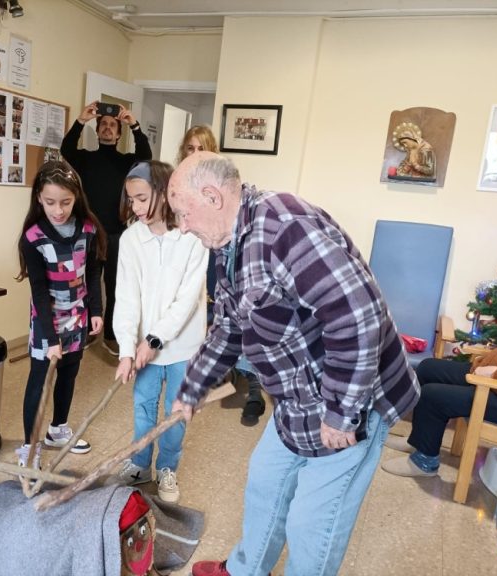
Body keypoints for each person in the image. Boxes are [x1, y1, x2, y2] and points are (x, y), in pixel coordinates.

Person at [167, 152, 420, 576]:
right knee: (266, 482)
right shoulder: (229, 245)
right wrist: (192, 389)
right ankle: (246, 570)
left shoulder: (285, 227)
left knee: (312, 524)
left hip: (350, 400)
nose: (182, 225)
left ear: (211, 196)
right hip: (298, 397)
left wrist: (341, 413)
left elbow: (357, 317)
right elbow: (228, 327)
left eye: (182, 212)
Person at [111, 161, 208, 503]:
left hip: (182, 346)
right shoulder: (131, 240)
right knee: (143, 408)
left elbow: (186, 300)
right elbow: (126, 298)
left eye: (141, 198)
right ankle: (140, 464)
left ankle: (168, 468)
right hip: (143, 348)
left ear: (165, 194)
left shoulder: (192, 237)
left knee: (176, 413)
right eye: (131, 199)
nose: (134, 207)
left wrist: (154, 339)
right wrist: (126, 348)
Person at [14, 160, 107, 468]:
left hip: (78, 316)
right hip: (47, 320)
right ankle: (30, 447)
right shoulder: (33, 238)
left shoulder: (89, 229)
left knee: (69, 373)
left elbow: (93, 271)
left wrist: (96, 309)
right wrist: (51, 337)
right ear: (38, 198)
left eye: (66, 202)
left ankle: (58, 430)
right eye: (50, 202)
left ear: (76, 197)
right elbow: (38, 291)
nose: (59, 210)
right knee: (40, 381)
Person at [381, 323, 497, 477]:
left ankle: (424, 462)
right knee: (428, 368)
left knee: (434, 396)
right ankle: (418, 440)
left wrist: (496, 373)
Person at [178, 125, 266, 426]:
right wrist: (191, 390)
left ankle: (253, 386)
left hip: (216, 259)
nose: (195, 154)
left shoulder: (265, 228)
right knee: (222, 323)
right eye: (190, 148)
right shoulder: (187, 205)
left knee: (240, 318)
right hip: (196, 261)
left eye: (201, 148)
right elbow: (228, 328)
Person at [60, 101, 152, 356]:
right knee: (87, 286)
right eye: (104, 125)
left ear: (118, 133)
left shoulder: (126, 163)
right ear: (98, 130)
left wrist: (133, 125)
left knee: (114, 287)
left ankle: (111, 335)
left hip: (116, 234)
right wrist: (81, 120)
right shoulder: (86, 159)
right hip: (88, 234)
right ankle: (90, 331)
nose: (108, 128)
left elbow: (146, 156)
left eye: (112, 125)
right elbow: (66, 149)